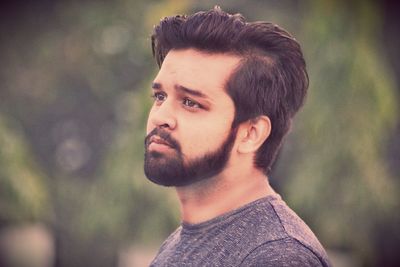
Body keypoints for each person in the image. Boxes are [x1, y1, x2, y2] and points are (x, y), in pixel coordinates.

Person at [144, 6, 331, 267]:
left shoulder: (278, 256)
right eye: (160, 97)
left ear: (251, 134)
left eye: (190, 102)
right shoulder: (180, 242)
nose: (160, 116)